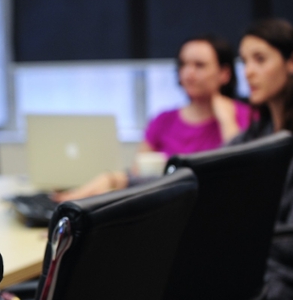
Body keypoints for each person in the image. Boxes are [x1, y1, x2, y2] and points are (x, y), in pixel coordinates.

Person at [56, 35, 253, 201]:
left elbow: (240, 175)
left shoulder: (246, 116)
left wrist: (227, 120)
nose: (188, 73)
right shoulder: (163, 120)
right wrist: (110, 180)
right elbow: (137, 176)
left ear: (224, 73)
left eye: (199, 65)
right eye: (183, 64)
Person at [232, 18, 293, 300]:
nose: (248, 71)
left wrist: (230, 236)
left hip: (289, 284)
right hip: (255, 271)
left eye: (260, 59)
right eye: (244, 61)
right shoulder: (257, 135)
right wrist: (122, 179)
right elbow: (201, 170)